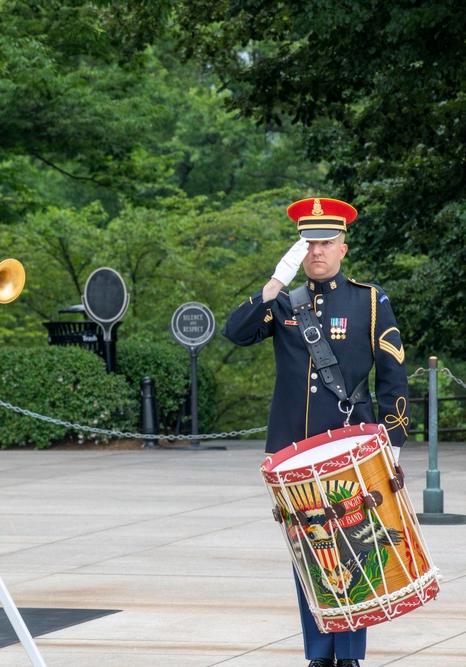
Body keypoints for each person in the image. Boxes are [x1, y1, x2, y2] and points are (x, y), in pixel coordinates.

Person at [222, 197, 409, 667]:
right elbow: (235, 332)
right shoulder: (283, 302)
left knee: (355, 542)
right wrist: (273, 282)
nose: (317, 251)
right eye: (308, 243)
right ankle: (319, 652)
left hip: (350, 445)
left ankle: (349, 654)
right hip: (293, 449)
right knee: (311, 550)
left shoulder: (369, 300)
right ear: (298, 250)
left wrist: (394, 442)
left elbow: (393, 374)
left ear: (344, 247)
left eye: (326, 242)